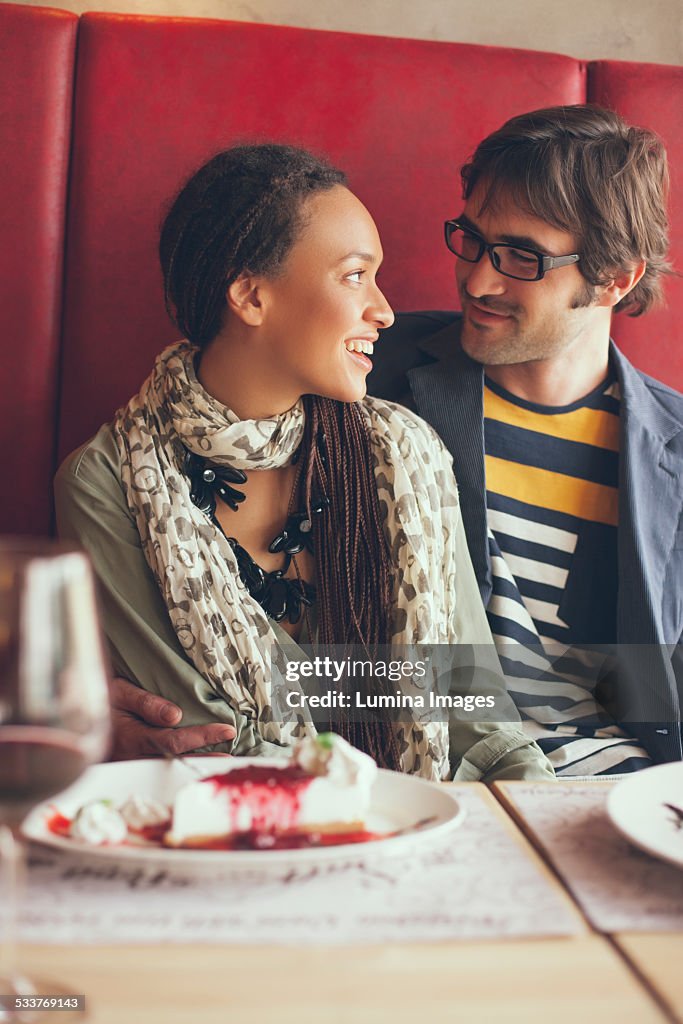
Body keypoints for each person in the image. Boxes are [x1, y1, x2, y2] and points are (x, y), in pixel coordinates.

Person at [55, 143, 553, 781]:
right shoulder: (105, 484)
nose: (385, 309)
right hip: (239, 844)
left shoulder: (405, 453)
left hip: (425, 833)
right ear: (251, 296)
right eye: (355, 275)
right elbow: (211, 742)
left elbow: (480, 727)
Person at [369, 104, 683, 776]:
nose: (478, 280)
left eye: (521, 258)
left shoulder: (673, 457)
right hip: (413, 771)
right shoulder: (369, 365)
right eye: (472, 239)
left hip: (613, 796)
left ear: (615, 278)